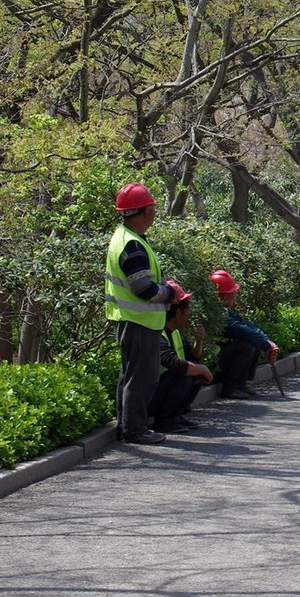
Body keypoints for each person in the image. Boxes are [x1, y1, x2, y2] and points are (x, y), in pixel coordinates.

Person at [105, 182, 174, 445]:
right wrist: (169, 293)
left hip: (130, 319)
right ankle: (135, 429)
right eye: (152, 208)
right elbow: (143, 288)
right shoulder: (132, 245)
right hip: (137, 320)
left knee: (130, 374)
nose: (154, 214)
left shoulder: (126, 238)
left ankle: (128, 425)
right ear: (144, 211)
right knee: (142, 377)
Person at [149, 281, 213, 433]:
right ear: (178, 312)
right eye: (187, 309)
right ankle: (165, 420)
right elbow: (173, 363)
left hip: (160, 389)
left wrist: (199, 341)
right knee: (184, 374)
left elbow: (194, 357)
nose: (189, 313)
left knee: (195, 370)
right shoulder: (157, 333)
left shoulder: (175, 333)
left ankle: (176, 415)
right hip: (148, 396)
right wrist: (201, 369)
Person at [210, 269, 281, 398]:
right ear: (225, 295)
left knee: (253, 342)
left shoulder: (224, 311)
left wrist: (266, 342)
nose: (235, 295)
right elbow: (243, 331)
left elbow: (247, 326)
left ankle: (242, 383)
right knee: (246, 346)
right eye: (233, 292)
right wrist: (267, 344)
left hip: (218, 361)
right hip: (211, 365)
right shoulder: (217, 315)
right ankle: (231, 388)